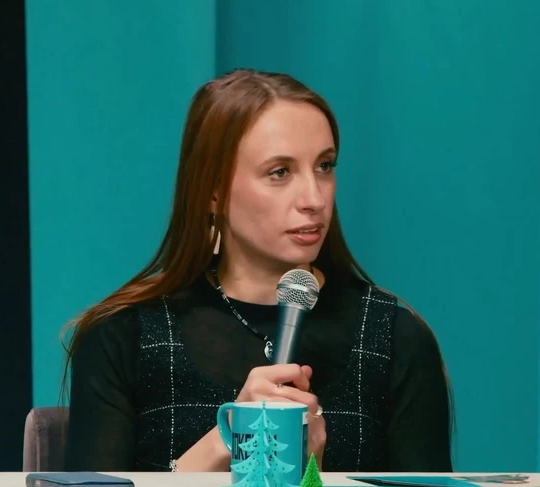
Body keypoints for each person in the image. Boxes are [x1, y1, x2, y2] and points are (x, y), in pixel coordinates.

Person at [62, 69, 454, 473]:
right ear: (213, 191)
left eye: (324, 166)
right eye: (280, 172)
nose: (314, 198)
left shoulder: (395, 339)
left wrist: (312, 477)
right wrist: (226, 441)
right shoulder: (123, 336)